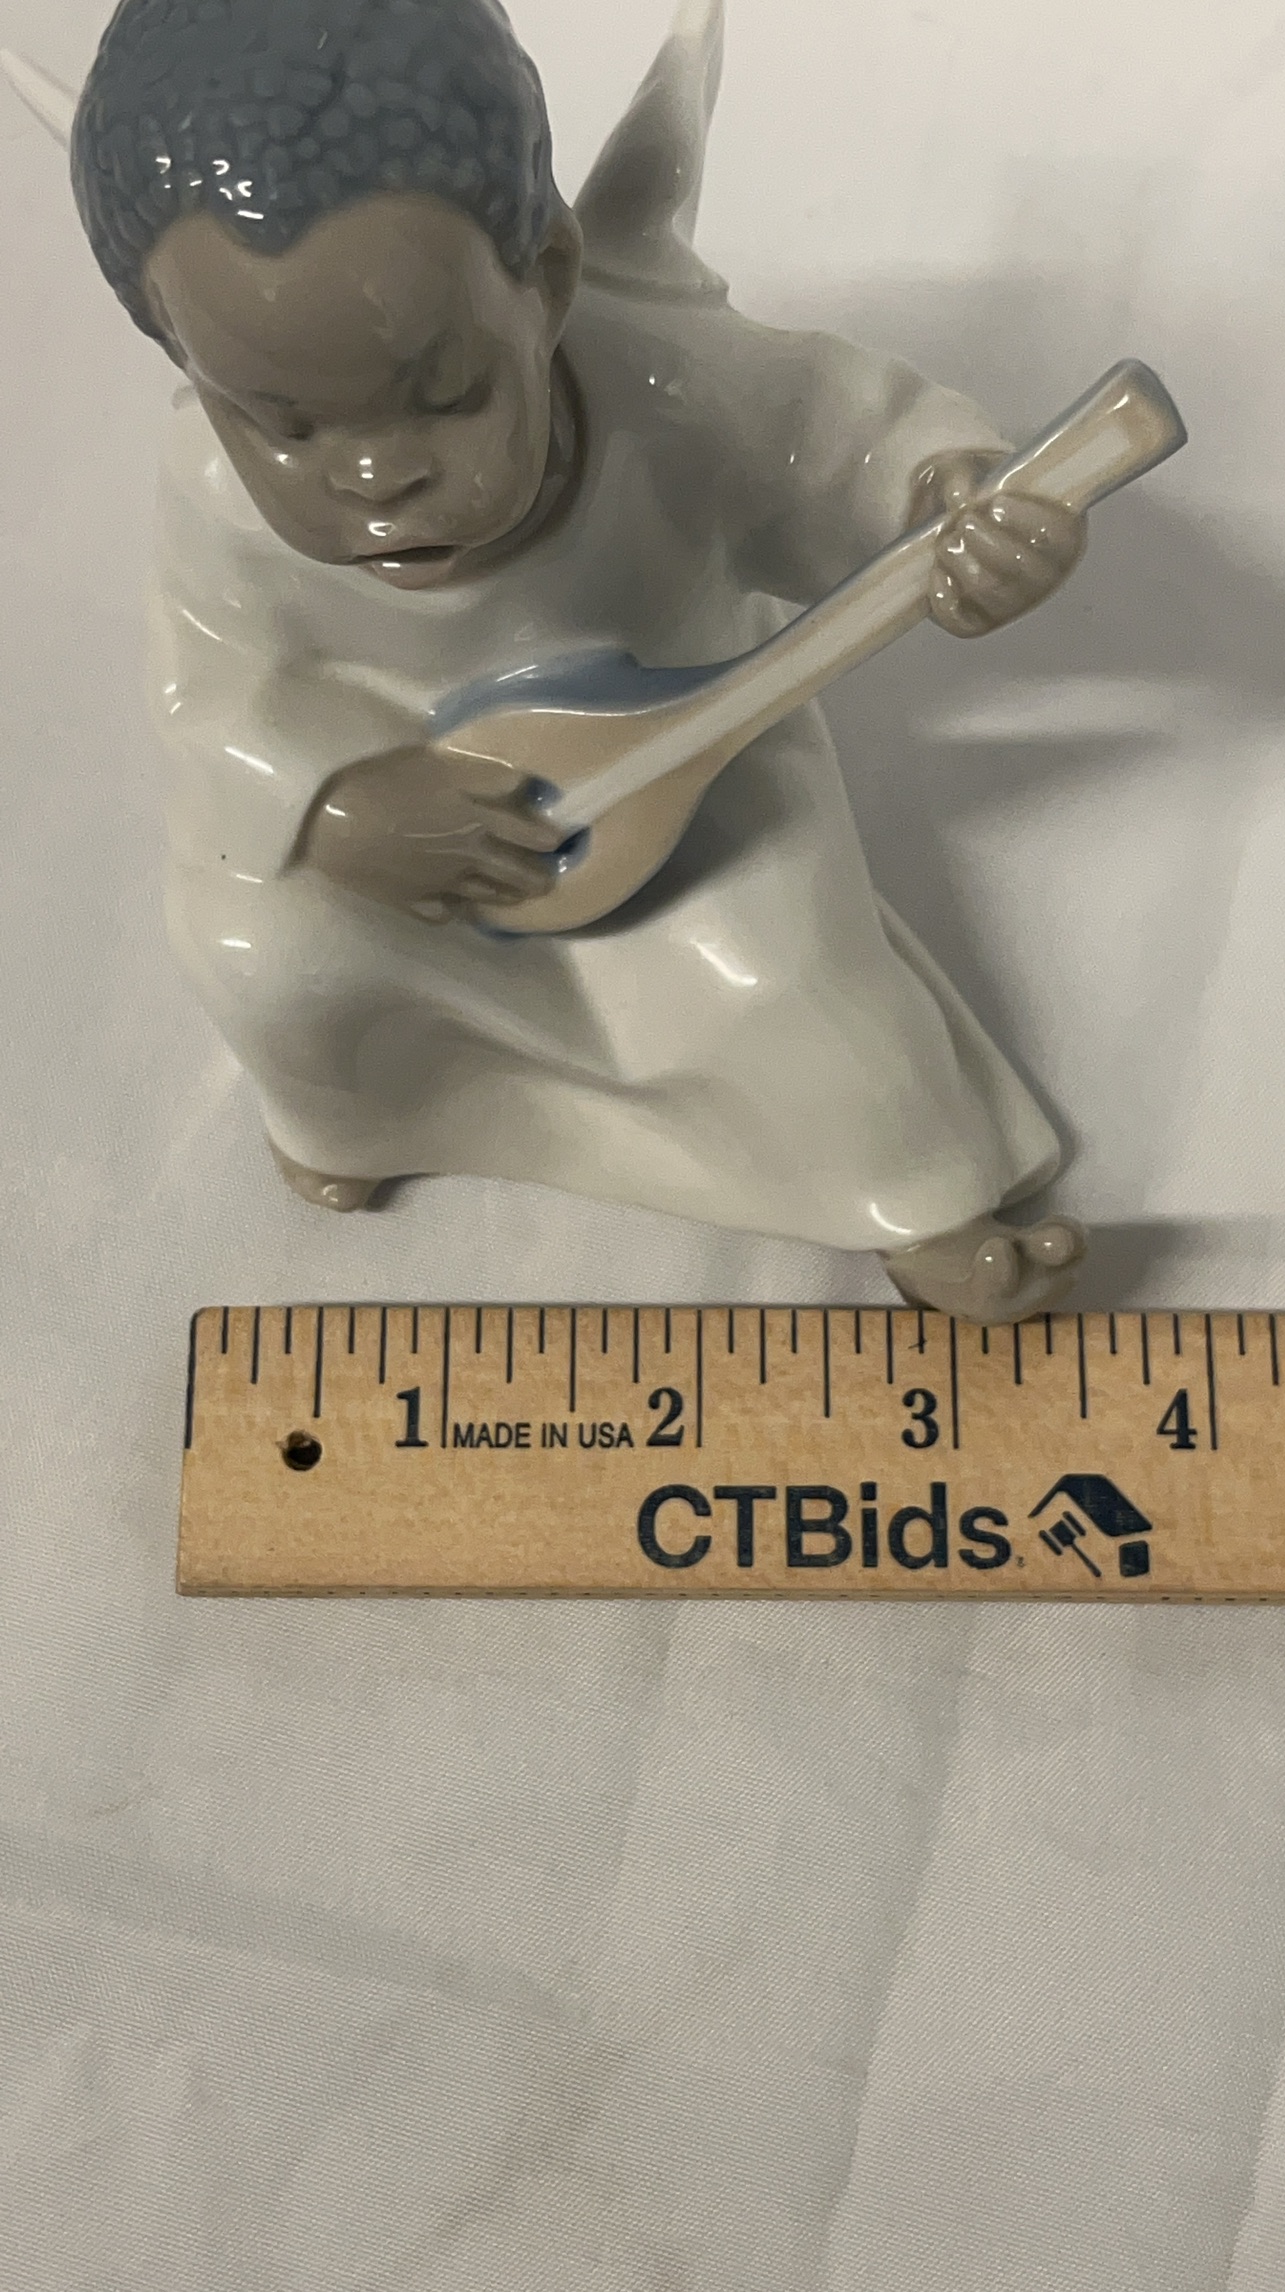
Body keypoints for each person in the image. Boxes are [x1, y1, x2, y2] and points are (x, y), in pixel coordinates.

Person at [47, 0, 1088, 1320]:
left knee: (775, 991)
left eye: (444, 395)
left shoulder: (663, 385)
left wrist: (951, 501)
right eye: (284, 424)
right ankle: (374, 1116)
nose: (375, 475)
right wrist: (334, 801)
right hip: (414, 831)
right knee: (264, 952)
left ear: (544, 274)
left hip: (689, 771)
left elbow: (842, 432)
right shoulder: (211, 493)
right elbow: (209, 685)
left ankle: (914, 1196)